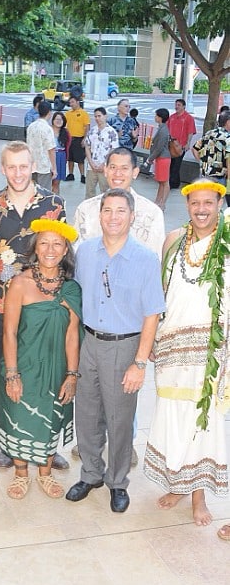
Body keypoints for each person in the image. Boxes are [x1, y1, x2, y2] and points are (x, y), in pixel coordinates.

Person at [66, 188, 165, 513]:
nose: (113, 217)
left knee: (120, 419)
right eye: (107, 210)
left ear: (132, 216)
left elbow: (152, 313)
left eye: (120, 211)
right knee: (88, 414)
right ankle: (91, 474)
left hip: (125, 346)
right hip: (89, 343)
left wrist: (139, 363)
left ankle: (117, 482)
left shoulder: (145, 259)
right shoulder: (86, 253)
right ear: (100, 214)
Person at [144, 179, 229, 526]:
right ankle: (179, 483)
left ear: (220, 205)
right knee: (172, 414)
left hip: (211, 347)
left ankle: (199, 496)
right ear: (187, 206)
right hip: (172, 343)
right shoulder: (173, 240)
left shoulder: (226, 242)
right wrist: (150, 339)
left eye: (209, 203)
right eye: (195, 203)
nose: (202, 210)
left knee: (203, 419)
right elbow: (160, 293)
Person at [0, 141, 68, 471]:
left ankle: (46, 445)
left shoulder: (53, 203)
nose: (18, 173)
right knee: (7, 373)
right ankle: (9, 442)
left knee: (44, 376)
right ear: (3, 169)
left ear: (33, 166)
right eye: (11, 167)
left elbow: (63, 251)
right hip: (1, 308)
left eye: (23, 166)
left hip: (43, 308)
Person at [0, 219, 81, 500]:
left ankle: (45, 473)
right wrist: (12, 373)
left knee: (49, 416)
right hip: (23, 363)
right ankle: (21, 473)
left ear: (65, 249)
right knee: (20, 413)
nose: (50, 249)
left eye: (57, 243)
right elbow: (8, 332)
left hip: (56, 366)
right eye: (44, 242)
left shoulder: (71, 289)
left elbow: (72, 334)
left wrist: (72, 374)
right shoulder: (19, 283)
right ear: (35, 247)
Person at [74, 147, 165, 259]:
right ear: (105, 170)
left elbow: (156, 257)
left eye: (124, 168)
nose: (118, 173)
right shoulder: (86, 209)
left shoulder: (152, 213)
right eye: (113, 167)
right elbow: (77, 253)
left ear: (135, 172)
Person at [192, 111, 230, 194]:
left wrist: (201, 162)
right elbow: (228, 160)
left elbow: (194, 148)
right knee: (217, 202)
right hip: (219, 177)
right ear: (228, 122)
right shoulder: (228, 138)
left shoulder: (209, 133)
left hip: (204, 174)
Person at [84, 107, 119, 199]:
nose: (97, 118)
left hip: (105, 167)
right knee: (89, 191)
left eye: (99, 116)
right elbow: (87, 147)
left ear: (105, 116)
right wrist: (91, 162)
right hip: (92, 166)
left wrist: (104, 164)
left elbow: (113, 150)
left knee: (105, 191)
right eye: (95, 116)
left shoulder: (111, 132)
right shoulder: (92, 131)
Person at [142, 108, 171, 211]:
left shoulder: (163, 130)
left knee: (165, 181)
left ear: (160, 117)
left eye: (156, 115)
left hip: (163, 158)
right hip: (160, 158)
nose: (155, 117)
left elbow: (159, 147)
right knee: (161, 181)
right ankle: (158, 201)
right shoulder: (161, 128)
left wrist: (150, 158)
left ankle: (162, 203)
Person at [26, 100, 57, 191]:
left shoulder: (31, 126)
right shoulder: (47, 128)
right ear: (49, 112)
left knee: (32, 192)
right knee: (43, 193)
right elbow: (51, 149)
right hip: (44, 166)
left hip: (32, 164)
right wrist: (54, 168)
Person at [167, 99, 196, 189]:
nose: (176, 107)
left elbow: (190, 132)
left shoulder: (188, 118)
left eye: (179, 105)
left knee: (176, 164)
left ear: (184, 106)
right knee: (172, 164)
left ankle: (173, 183)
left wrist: (188, 143)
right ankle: (174, 182)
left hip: (181, 145)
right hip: (171, 145)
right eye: (176, 105)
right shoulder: (172, 117)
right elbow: (167, 130)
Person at [64, 96, 90, 184]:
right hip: (69, 138)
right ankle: (71, 174)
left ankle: (82, 175)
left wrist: (85, 138)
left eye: (72, 102)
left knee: (80, 159)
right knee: (70, 158)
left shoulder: (84, 113)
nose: (71, 104)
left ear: (77, 102)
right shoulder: (68, 113)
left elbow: (87, 126)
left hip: (79, 138)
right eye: (70, 102)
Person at [51, 111, 71, 194]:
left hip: (60, 157)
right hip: (49, 156)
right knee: (47, 182)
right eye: (57, 119)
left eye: (61, 120)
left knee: (56, 183)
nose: (59, 121)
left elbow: (67, 146)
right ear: (53, 120)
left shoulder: (65, 133)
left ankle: (55, 202)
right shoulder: (48, 131)